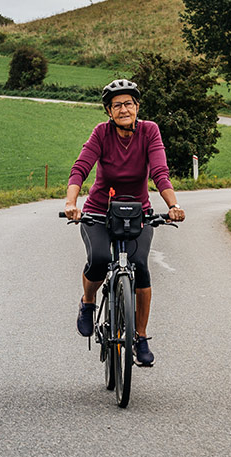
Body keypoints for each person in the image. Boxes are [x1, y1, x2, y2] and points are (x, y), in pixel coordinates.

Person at [63, 79, 186, 367]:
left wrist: (173, 205)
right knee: (99, 260)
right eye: (116, 105)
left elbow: (159, 172)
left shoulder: (149, 131)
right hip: (98, 212)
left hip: (138, 213)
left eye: (128, 103)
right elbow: (81, 168)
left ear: (137, 106)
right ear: (108, 110)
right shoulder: (101, 134)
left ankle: (140, 337)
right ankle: (88, 303)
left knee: (140, 267)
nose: (123, 109)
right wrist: (72, 203)